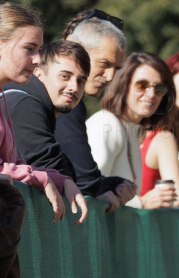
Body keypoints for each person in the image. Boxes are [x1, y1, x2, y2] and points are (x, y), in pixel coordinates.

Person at [87, 52, 179, 219]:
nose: (151, 95)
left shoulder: (133, 131)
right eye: (141, 85)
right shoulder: (106, 123)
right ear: (124, 84)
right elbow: (90, 190)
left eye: (159, 89)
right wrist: (142, 203)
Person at [0, 4, 86, 224]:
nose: (37, 58)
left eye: (38, 49)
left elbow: (12, 162)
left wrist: (57, 179)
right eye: (29, 48)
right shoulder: (22, 101)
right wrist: (41, 177)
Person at [58, 14, 134, 211]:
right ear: (73, 47)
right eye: (104, 64)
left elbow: (75, 170)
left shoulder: (74, 102)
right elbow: (83, 177)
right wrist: (102, 187)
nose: (110, 76)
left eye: (116, 68)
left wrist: (113, 184)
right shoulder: (62, 99)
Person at [4, 41, 90, 181]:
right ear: (38, 74)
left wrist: (112, 184)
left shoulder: (38, 110)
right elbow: (55, 173)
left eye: (81, 81)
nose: (74, 87)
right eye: (65, 76)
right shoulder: (24, 106)